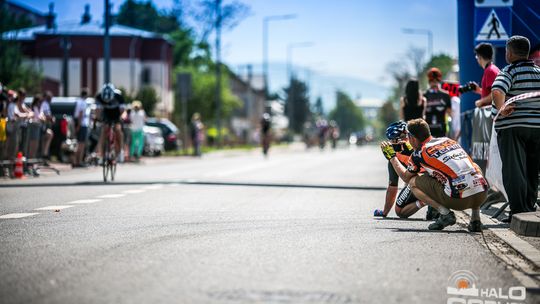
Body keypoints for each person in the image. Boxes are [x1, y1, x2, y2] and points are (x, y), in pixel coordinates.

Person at [381, 118, 488, 231]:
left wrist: (392, 158)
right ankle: (476, 218)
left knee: (413, 182)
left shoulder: (418, 154)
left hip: (458, 201)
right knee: (474, 166)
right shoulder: (449, 140)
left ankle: (445, 213)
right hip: (482, 195)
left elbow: (406, 178)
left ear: (412, 138)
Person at [491, 35, 540, 221]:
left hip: (513, 127)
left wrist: (502, 108)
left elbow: (497, 90)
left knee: (514, 170)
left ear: (509, 53)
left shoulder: (508, 71)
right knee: (532, 170)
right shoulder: (538, 71)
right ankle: (529, 209)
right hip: (537, 128)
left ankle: (518, 212)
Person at [374, 121, 427, 219]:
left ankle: (429, 201)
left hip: (429, 182)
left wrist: (385, 212)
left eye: (404, 137)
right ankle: (430, 202)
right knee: (409, 184)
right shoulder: (395, 156)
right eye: (391, 140)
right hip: (427, 183)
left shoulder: (421, 147)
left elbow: (393, 187)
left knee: (400, 211)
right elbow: (392, 187)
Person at [95, 83, 125, 161]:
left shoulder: (118, 97)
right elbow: (97, 111)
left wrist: (120, 118)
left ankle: (121, 151)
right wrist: (98, 119)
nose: (107, 102)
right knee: (104, 131)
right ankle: (101, 155)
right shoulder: (99, 97)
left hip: (116, 113)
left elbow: (122, 111)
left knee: (118, 130)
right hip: (106, 113)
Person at [424, 68, 452, 137]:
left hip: (441, 129)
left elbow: (450, 113)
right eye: (432, 81)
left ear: (439, 81)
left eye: (436, 81)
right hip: (427, 131)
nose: (434, 83)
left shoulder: (445, 95)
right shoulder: (424, 95)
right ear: (429, 81)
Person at [73, 88, 90, 167]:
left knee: (79, 144)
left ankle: (76, 161)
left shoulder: (78, 101)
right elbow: (80, 114)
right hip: (82, 125)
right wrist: (79, 126)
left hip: (80, 124)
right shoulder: (83, 102)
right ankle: (78, 161)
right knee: (81, 144)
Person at [40, 91, 54, 160]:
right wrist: (51, 118)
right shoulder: (44, 103)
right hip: (43, 125)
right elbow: (47, 115)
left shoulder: (46, 104)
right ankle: (44, 155)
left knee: (48, 136)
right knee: (49, 135)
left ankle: (44, 154)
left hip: (45, 125)